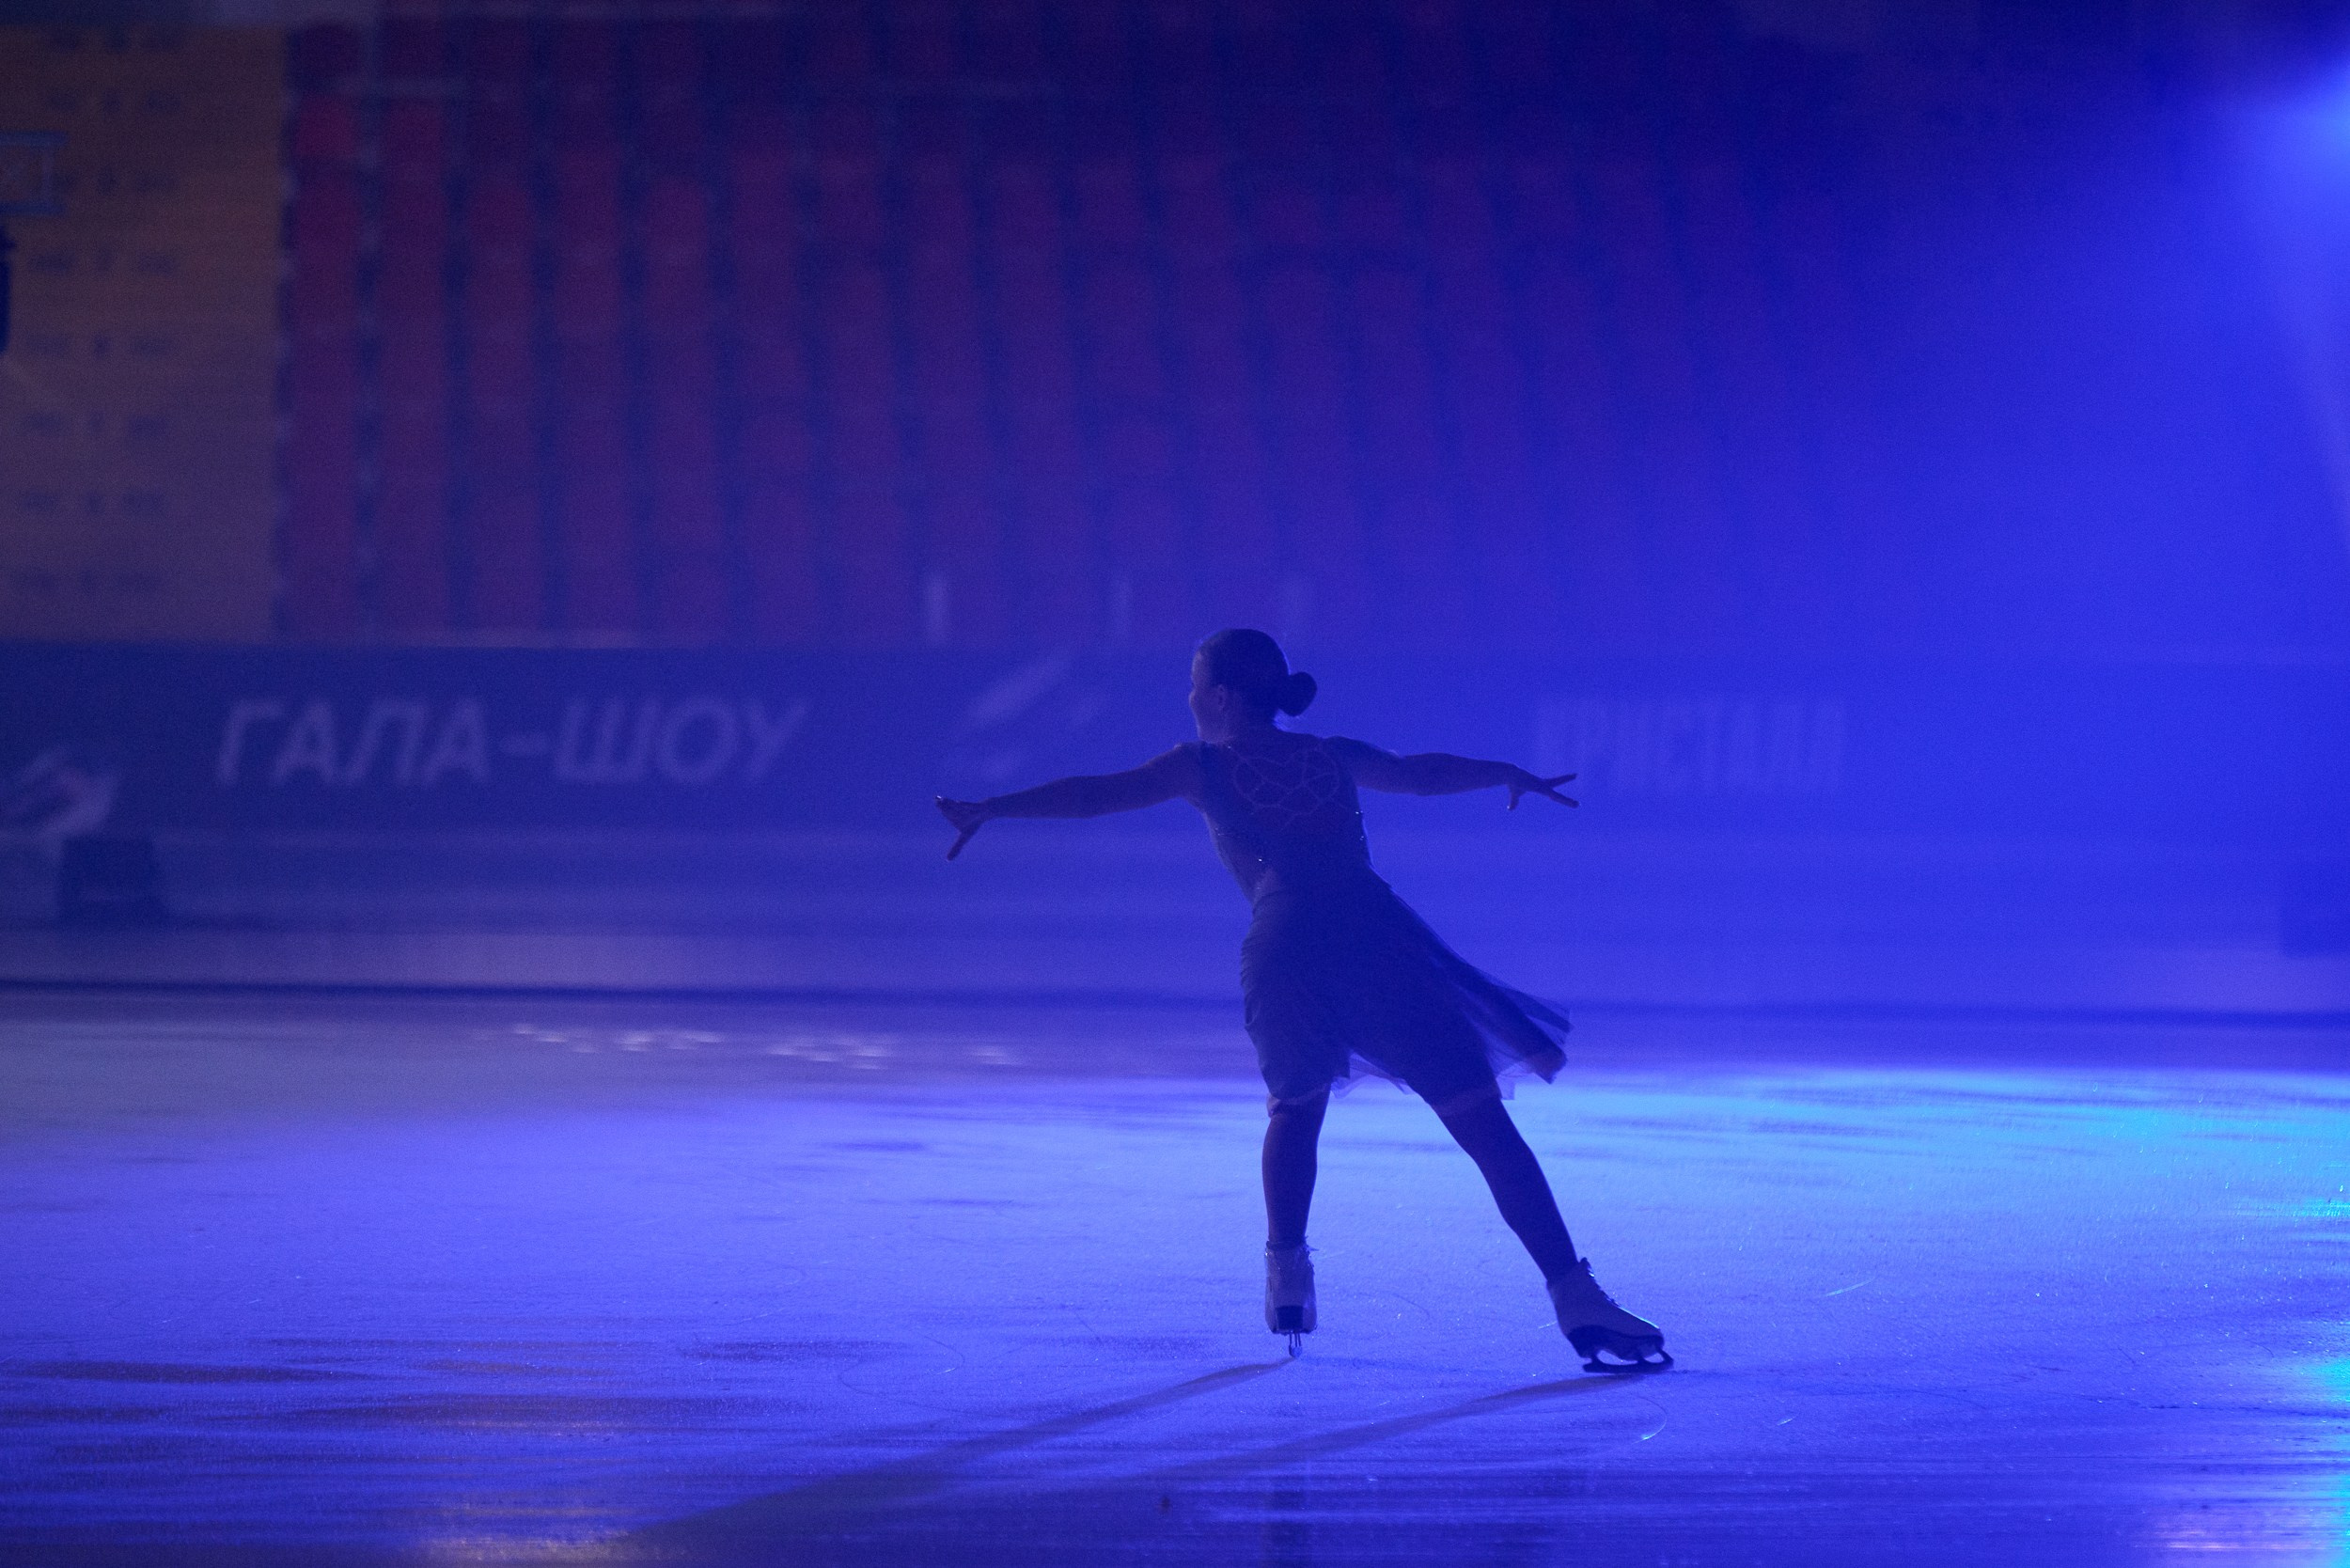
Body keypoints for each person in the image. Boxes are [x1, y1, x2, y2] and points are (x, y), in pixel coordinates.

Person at [934, 629, 1668, 1372]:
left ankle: (1288, 1275)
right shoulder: (1332, 755)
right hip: (1377, 941)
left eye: (1194, 683)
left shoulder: (1198, 767)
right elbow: (1419, 774)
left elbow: (1094, 797)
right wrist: (1502, 770)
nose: (1188, 698)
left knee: (1296, 1107)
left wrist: (993, 807)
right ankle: (1574, 1294)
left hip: (1287, 949)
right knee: (1480, 1119)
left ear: (1220, 695)